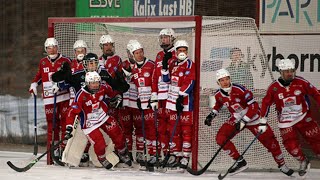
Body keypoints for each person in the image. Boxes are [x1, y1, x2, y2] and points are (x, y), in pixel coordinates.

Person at [204, 68, 294, 176]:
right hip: (236, 118)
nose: (225, 82)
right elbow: (218, 104)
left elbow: (254, 106)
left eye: (226, 79)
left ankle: (282, 164)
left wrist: (244, 120)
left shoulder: (240, 89)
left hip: (254, 118)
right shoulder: (218, 94)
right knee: (220, 138)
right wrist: (211, 115)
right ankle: (240, 161)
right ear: (218, 82)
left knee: (272, 144)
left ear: (230, 79)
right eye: (222, 80)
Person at [260, 59, 320, 177]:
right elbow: (266, 103)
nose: (290, 73)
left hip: (303, 117)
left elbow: (315, 94)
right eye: (287, 71)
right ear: (281, 72)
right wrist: (263, 120)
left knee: (317, 140)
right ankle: (303, 160)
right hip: (285, 122)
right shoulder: (274, 88)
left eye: (292, 71)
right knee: (291, 147)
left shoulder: (301, 82)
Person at [65, 71, 132, 169]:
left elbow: (112, 93)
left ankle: (122, 152)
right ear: (87, 83)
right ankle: (101, 158)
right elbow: (71, 112)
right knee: (100, 142)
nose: (96, 85)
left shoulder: (103, 87)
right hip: (89, 124)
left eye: (97, 82)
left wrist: (116, 97)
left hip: (102, 116)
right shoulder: (81, 95)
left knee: (117, 132)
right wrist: (69, 127)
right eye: (93, 83)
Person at [28, 37, 71, 165]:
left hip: (63, 97)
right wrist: (34, 84)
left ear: (57, 47)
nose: (51, 50)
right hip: (49, 99)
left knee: (64, 123)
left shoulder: (65, 61)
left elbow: (70, 78)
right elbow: (39, 76)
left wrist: (61, 84)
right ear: (45, 49)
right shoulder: (43, 62)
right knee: (52, 125)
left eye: (53, 47)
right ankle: (53, 151)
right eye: (48, 48)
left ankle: (64, 150)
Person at [161, 40, 195, 169]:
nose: (182, 53)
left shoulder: (190, 64)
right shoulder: (173, 64)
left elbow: (190, 82)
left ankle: (185, 157)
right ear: (176, 52)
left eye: (184, 50)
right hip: (171, 102)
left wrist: (181, 96)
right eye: (179, 50)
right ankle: (176, 155)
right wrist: (165, 66)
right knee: (173, 131)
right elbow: (166, 80)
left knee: (186, 131)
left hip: (184, 103)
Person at [127, 40, 157, 167]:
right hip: (140, 104)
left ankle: (154, 154)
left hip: (151, 103)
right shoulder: (132, 68)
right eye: (136, 53)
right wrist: (138, 98)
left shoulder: (151, 65)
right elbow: (133, 86)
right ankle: (145, 153)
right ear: (132, 55)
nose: (139, 55)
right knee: (142, 128)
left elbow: (155, 82)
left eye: (141, 52)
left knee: (152, 128)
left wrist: (153, 98)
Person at [151, 28, 176, 162]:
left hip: (171, 97)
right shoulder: (159, 55)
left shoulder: (177, 53)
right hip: (160, 97)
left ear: (172, 38)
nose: (164, 40)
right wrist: (154, 95)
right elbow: (155, 77)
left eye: (166, 37)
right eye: (162, 37)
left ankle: (174, 153)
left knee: (172, 127)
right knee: (161, 127)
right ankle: (164, 153)